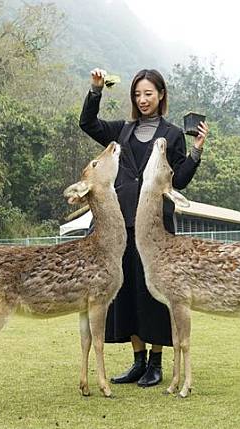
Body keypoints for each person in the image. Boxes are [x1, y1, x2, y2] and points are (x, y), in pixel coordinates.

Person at [79, 68, 208, 387]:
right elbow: (88, 123)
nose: (143, 99)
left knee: (155, 294)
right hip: (120, 226)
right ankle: (137, 361)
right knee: (127, 294)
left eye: (148, 93)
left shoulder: (173, 134)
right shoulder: (122, 130)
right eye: (137, 94)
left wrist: (196, 152)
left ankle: (156, 362)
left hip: (154, 228)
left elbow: (178, 180)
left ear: (161, 95)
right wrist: (96, 91)